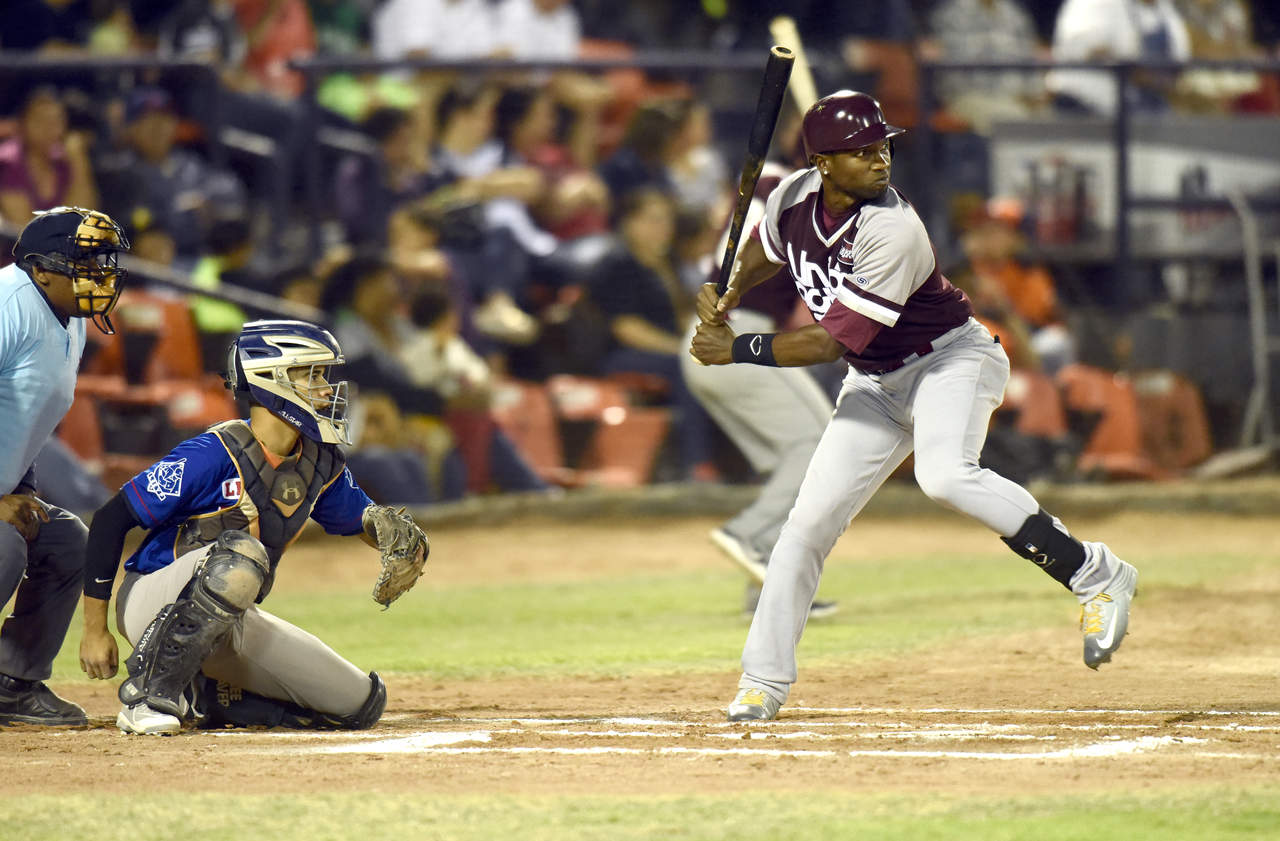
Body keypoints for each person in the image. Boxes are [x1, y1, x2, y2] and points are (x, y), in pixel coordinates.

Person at [690, 91, 1139, 722]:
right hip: (876, 382)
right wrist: (731, 288)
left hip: (950, 361)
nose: (880, 160)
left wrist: (735, 347)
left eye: (883, 148)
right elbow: (765, 250)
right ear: (822, 163)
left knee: (944, 475)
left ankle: (1096, 572)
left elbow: (828, 343)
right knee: (805, 528)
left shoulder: (893, 229)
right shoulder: (792, 195)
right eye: (863, 151)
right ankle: (762, 682)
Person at [78, 319, 427, 734]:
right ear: (270, 379)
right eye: (312, 374)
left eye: (324, 375)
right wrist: (94, 630)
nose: (326, 388)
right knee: (241, 557)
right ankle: (147, 694)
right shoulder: (213, 453)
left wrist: (404, 545)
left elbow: (365, 521)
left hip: (230, 618)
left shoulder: (318, 460)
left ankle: (215, 697)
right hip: (152, 601)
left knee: (359, 704)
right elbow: (110, 520)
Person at [679, 161, 838, 620]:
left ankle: (765, 586)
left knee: (795, 460)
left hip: (715, 336)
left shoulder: (769, 186)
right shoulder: (800, 194)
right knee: (821, 447)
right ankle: (748, 535)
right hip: (737, 337)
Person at [0, 206, 129, 726]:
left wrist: (22, 487)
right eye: (85, 264)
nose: (100, 276)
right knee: (2, 546)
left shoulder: (69, 315)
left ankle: (12, 685)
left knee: (65, 540)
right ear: (41, 269)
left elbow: (26, 415)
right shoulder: (8, 306)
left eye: (103, 263)